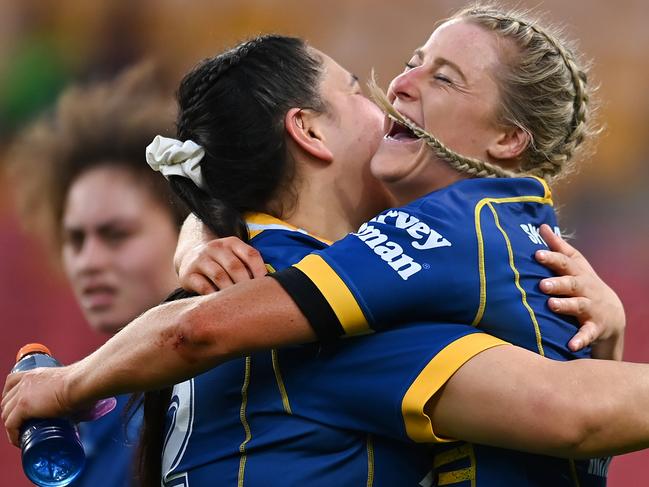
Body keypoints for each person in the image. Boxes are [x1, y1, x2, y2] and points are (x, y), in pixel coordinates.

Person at [0, 16, 637, 486]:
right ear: (307, 131)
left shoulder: (236, 275)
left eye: (438, 75)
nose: (394, 89)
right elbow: (569, 414)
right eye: (358, 88)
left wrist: (604, 340)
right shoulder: (329, 326)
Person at [4, 63, 188, 486]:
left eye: (116, 234)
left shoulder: (233, 381)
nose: (87, 260)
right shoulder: (91, 415)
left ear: (187, 228)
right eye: (75, 239)